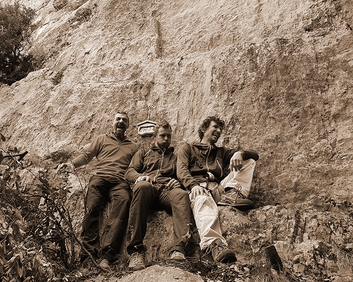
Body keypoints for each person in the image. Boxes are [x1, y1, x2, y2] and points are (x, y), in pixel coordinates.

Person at [177, 115, 259, 263]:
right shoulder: (188, 148)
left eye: (220, 129)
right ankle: (214, 244)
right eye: (215, 127)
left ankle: (233, 193)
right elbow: (181, 170)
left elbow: (255, 155)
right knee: (202, 200)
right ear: (203, 129)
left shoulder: (221, 152)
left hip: (219, 190)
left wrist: (239, 153)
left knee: (249, 161)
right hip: (198, 189)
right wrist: (193, 185)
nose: (219, 131)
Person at [70, 112, 138, 270]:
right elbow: (87, 156)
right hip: (99, 178)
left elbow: (135, 167)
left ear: (128, 125)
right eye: (118, 119)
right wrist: (71, 165)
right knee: (92, 207)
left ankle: (107, 256)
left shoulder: (133, 147)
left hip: (120, 182)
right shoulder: (101, 139)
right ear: (113, 123)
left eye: (124, 120)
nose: (121, 122)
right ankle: (88, 256)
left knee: (123, 203)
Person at [125, 122, 194, 271]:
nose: (166, 139)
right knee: (142, 187)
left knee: (181, 195)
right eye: (162, 135)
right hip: (148, 188)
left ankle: (179, 249)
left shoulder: (175, 157)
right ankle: (136, 251)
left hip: (166, 192)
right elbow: (129, 172)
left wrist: (177, 182)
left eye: (169, 136)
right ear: (155, 136)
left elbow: (182, 173)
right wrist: (141, 177)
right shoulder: (143, 152)